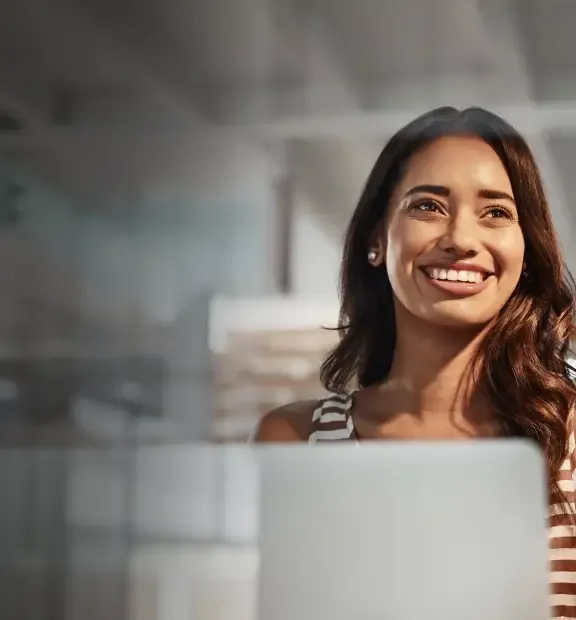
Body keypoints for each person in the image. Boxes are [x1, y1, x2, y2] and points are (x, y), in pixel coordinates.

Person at [253, 106, 576, 618]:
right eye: (428, 206)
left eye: (496, 212)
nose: (461, 241)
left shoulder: (570, 439)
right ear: (376, 240)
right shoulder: (295, 441)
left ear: (527, 250)